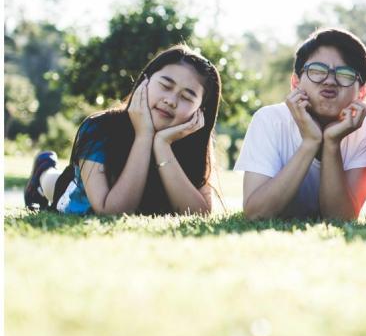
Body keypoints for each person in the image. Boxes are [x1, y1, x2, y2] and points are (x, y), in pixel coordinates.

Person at [24, 45, 222, 215]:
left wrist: (162, 145)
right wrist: (144, 136)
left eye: (187, 97)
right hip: (76, 192)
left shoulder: (192, 141)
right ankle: (42, 170)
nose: (170, 100)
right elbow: (111, 211)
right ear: (145, 81)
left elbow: (199, 214)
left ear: (200, 111)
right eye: (165, 85)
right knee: (56, 182)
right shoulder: (98, 127)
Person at [236, 28, 366, 220]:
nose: (329, 81)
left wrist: (332, 142)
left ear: (362, 92)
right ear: (295, 83)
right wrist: (310, 142)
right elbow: (256, 213)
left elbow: (340, 219)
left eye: (345, 74)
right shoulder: (269, 120)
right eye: (317, 71)